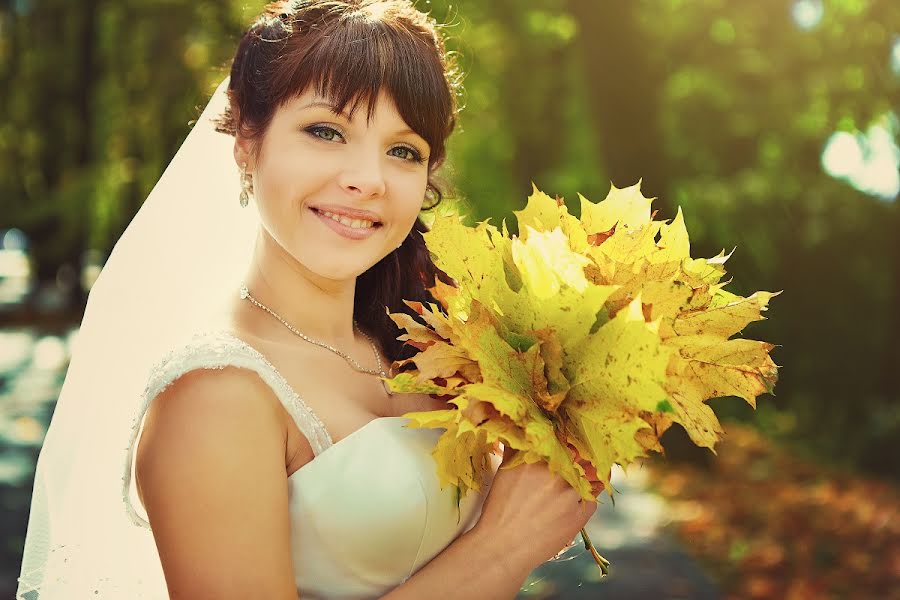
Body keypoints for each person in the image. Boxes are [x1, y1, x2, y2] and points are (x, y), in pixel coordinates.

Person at [16, 1, 602, 598]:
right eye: (326, 131)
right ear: (247, 139)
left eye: (403, 151)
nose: (368, 178)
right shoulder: (216, 395)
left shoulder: (424, 349)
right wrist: (502, 549)